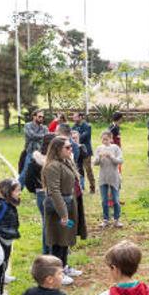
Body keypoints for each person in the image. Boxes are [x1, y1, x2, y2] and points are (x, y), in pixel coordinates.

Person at [42, 137, 81, 284]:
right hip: (58, 207)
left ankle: (63, 267)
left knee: (65, 238)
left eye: (71, 146)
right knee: (58, 241)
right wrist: (63, 213)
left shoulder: (64, 162)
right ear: (57, 149)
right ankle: (56, 273)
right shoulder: (52, 166)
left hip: (67, 204)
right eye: (68, 147)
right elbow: (54, 191)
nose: (71, 149)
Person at [0, 179, 22, 295]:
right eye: (17, 190)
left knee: (5, 261)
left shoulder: (6, 202)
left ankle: (3, 278)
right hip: (1, 238)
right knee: (0, 266)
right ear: (8, 191)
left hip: (6, 236)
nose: (20, 193)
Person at [25, 133, 55, 256]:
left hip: (41, 193)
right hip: (46, 193)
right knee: (49, 223)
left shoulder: (35, 160)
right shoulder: (44, 161)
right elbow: (28, 179)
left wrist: (35, 190)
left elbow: (28, 179)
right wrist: (38, 189)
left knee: (47, 223)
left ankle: (49, 250)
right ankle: (48, 251)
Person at [94, 129, 124, 229]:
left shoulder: (115, 148)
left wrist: (111, 156)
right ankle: (105, 219)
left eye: (106, 139)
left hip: (114, 177)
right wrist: (99, 157)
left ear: (111, 139)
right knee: (104, 200)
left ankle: (117, 219)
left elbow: (120, 161)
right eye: (103, 140)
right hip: (103, 177)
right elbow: (95, 163)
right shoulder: (99, 148)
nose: (104, 142)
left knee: (115, 199)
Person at [72, 112, 96, 194]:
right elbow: (72, 137)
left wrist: (76, 137)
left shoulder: (87, 126)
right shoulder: (74, 126)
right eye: (73, 117)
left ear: (80, 117)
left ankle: (92, 187)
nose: (73, 118)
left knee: (88, 170)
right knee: (79, 169)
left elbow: (84, 137)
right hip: (77, 150)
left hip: (86, 151)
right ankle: (81, 187)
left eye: (75, 117)